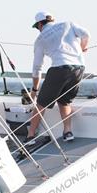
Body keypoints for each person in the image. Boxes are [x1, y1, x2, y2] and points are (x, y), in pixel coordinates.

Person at [26, 11, 90, 142]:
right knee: (64, 100)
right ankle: (68, 132)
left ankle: (30, 136)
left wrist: (35, 89)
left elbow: (37, 68)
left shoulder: (40, 39)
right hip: (79, 68)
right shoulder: (67, 24)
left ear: (40, 24)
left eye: (37, 27)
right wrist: (83, 48)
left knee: (41, 103)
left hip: (59, 69)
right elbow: (86, 34)